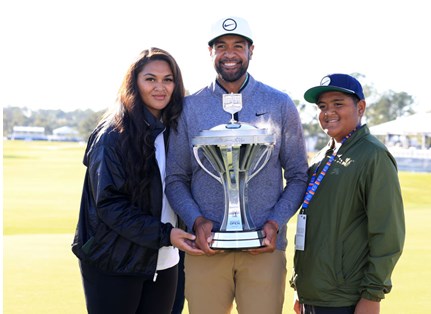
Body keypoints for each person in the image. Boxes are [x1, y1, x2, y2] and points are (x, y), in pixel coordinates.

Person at [165, 16, 308, 314]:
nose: (229, 53)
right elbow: (176, 178)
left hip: (264, 247)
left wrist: (274, 223)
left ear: (251, 50)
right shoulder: (188, 107)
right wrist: (196, 221)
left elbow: (297, 176)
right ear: (210, 52)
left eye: (238, 46)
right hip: (206, 247)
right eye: (221, 46)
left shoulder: (280, 103)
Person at [71, 47, 204, 314]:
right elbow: (109, 205)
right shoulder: (113, 134)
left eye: (168, 79)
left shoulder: (173, 131)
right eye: (150, 79)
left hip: (166, 261)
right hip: (115, 261)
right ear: (135, 82)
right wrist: (166, 234)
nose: (160, 87)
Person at [291, 73, 406, 314]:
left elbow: (387, 232)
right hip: (312, 295)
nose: (328, 112)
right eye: (322, 106)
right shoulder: (325, 154)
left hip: (345, 300)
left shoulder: (373, 156)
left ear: (360, 107)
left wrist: (373, 296)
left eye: (338, 104)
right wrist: (300, 286)